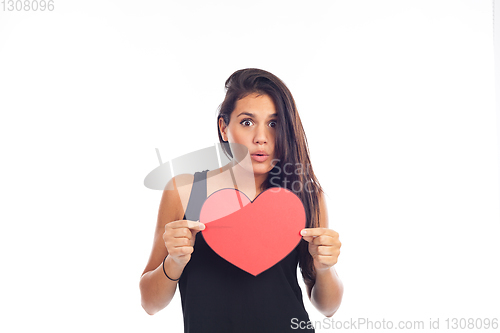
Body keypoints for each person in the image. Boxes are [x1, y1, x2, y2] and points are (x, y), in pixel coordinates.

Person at [139, 68, 343, 332]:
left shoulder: (305, 195)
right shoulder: (186, 191)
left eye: (274, 123)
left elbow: (328, 308)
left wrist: (325, 268)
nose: (261, 138)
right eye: (247, 122)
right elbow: (149, 303)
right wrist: (174, 261)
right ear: (224, 127)